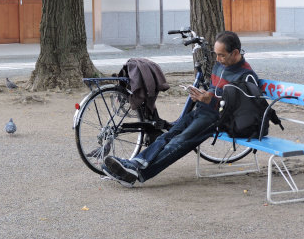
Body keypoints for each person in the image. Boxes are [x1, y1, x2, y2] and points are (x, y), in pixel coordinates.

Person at [102, 30, 258, 187]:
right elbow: (214, 89)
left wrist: (212, 99)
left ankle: (137, 174)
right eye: (216, 54)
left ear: (235, 53)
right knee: (168, 135)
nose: (217, 59)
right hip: (204, 110)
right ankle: (135, 164)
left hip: (220, 118)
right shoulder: (220, 66)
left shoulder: (246, 75)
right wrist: (203, 95)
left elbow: (243, 108)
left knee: (179, 141)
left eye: (222, 55)